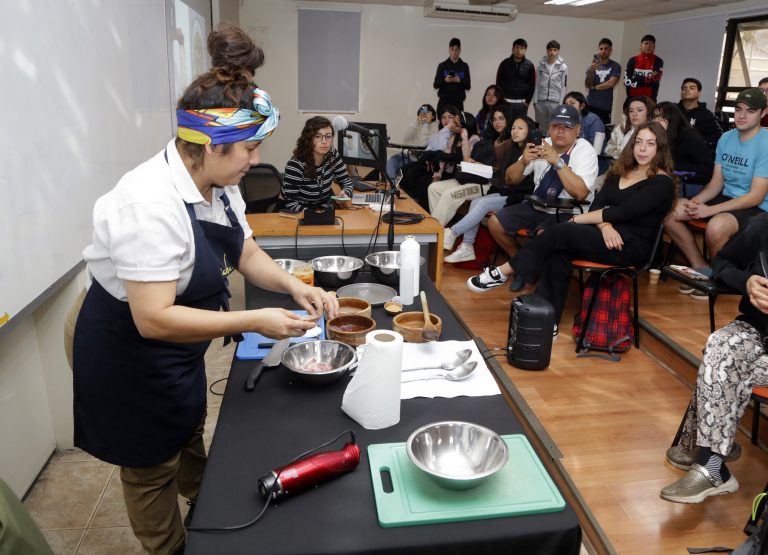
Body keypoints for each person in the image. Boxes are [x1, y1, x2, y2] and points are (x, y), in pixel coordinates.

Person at [70, 23, 339, 555]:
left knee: (187, 430)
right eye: (250, 149)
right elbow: (154, 318)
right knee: (150, 467)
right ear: (211, 145)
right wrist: (254, 319)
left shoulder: (219, 183)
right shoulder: (149, 204)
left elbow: (246, 253)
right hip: (127, 347)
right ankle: (171, 547)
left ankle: (208, 511)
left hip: (177, 341)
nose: (256, 161)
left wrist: (294, 286)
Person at [467, 123, 675, 339]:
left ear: (660, 148)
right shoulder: (620, 172)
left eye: (650, 144)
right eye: (638, 142)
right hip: (605, 235)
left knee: (563, 231)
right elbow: (596, 206)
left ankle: (504, 271)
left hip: (629, 246)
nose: (642, 149)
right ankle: (548, 323)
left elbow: (624, 212)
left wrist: (577, 219)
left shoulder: (662, 183)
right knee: (559, 252)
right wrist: (605, 226)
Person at [660, 213, 768, 504]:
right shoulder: (762, 226)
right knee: (720, 347)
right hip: (756, 331)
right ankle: (713, 465)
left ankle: (709, 450)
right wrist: (747, 282)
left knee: (728, 369)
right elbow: (722, 263)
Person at [473, 104, 599, 291]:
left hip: (570, 211)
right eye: (556, 126)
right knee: (495, 223)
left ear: (578, 129)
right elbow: (510, 179)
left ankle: (523, 269)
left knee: (544, 235)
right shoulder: (541, 144)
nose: (560, 131)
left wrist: (557, 161)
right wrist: (523, 161)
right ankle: (519, 266)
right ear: (549, 128)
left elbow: (580, 193)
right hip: (538, 205)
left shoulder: (585, 151)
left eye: (567, 127)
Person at [663, 88, 768, 290]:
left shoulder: (765, 142)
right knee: (670, 210)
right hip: (726, 198)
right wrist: (698, 201)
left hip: (756, 208)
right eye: (738, 109)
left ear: (763, 113)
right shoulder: (726, 138)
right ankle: (703, 269)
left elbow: (755, 196)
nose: (742, 115)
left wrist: (709, 210)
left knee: (716, 227)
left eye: (750, 111)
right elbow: (716, 183)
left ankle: (720, 281)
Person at [443, 115, 536, 264]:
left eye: (520, 128)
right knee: (476, 202)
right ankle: (467, 246)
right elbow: (502, 175)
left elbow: (524, 185)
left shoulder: (531, 152)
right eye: (513, 128)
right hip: (507, 192)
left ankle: (452, 232)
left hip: (521, 197)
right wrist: (479, 166)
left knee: (482, 203)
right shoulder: (512, 150)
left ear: (529, 131)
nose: (515, 131)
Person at [428, 105, 511, 227]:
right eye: (494, 119)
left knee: (449, 195)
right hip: (473, 176)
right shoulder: (490, 140)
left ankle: (433, 230)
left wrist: (478, 165)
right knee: (433, 188)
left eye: (501, 118)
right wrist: (473, 164)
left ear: (508, 120)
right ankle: (440, 226)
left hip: (489, 184)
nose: (497, 122)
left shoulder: (510, 143)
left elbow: (503, 172)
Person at [400, 111, 476, 209]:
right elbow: (441, 158)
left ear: (464, 127)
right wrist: (437, 176)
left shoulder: (474, 139)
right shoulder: (453, 137)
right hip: (445, 172)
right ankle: (416, 206)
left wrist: (464, 138)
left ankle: (426, 210)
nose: (451, 124)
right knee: (414, 175)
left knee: (422, 181)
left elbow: (466, 159)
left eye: (455, 123)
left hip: (461, 177)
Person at [282, 116, 355, 212]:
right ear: (308, 139)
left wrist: (345, 194)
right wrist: (315, 215)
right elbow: (290, 204)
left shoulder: (332, 154)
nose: (324, 141)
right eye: (318, 136)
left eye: (328, 136)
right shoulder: (296, 164)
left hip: (322, 209)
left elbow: (347, 182)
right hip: (300, 213)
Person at [651, 101, 714, 194]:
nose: (656, 121)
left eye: (662, 117)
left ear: (673, 118)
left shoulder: (689, 136)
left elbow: (707, 169)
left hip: (690, 183)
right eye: (654, 117)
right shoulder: (657, 135)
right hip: (669, 179)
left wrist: (670, 166)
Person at [385, 104, 438, 179]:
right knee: (392, 160)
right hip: (409, 154)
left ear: (433, 116)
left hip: (420, 158)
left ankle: (391, 181)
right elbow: (406, 137)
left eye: (427, 113)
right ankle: (390, 182)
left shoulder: (435, 128)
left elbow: (422, 145)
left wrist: (426, 124)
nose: (424, 115)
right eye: (422, 113)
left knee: (399, 166)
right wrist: (416, 121)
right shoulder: (416, 124)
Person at [676, 77, 722, 149]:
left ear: (699, 93)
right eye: (684, 88)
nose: (687, 90)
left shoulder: (706, 114)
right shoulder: (673, 109)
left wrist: (695, 140)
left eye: (692, 88)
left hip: (693, 152)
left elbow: (718, 136)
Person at [496, 38, 536, 119]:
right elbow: (498, 82)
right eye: (517, 47)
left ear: (525, 50)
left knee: (520, 124)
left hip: (522, 104)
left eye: (522, 48)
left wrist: (527, 102)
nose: (519, 50)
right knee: (506, 124)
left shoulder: (530, 65)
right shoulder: (504, 63)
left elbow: (532, 85)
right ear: (512, 49)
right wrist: (501, 99)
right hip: (506, 102)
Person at [585, 38, 621, 124]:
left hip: (605, 106)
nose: (603, 51)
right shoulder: (592, 66)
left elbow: (611, 83)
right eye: (601, 49)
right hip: (590, 104)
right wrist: (592, 71)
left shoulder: (615, 66)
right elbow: (587, 84)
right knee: (587, 128)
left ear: (610, 50)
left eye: (606, 48)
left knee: (603, 130)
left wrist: (594, 87)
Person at [534, 40, 568, 131]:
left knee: (554, 127)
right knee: (541, 128)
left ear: (558, 51)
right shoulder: (540, 67)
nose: (552, 52)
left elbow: (564, 86)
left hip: (555, 102)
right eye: (550, 50)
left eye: (555, 50)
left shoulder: (563, 67)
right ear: (547, 51)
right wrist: (535, 101)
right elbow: (536, 84)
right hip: (541, 101)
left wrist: (561, 103)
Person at [433, 37, 471, 112]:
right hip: (444, 102)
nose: (454, 52)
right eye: (452, 49)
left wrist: (459, 80)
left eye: (456, 50)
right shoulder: (442, 65)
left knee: (458, 120)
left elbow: (468, 86)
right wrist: (445, 80)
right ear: (449, 50)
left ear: (460, 50)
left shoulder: (464, 66)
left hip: (458, 103)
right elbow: (435, 85)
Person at [624, 34, 663, 102]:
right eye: (646, 43)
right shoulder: (632, 60)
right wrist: (647, 79)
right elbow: (627, 81)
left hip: (650, 99)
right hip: (632, 98)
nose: (648, 46)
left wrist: (636, 78)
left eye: (651, 44)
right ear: (641, 45)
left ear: (654, 46)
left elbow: (655, 79)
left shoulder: (658, 61)